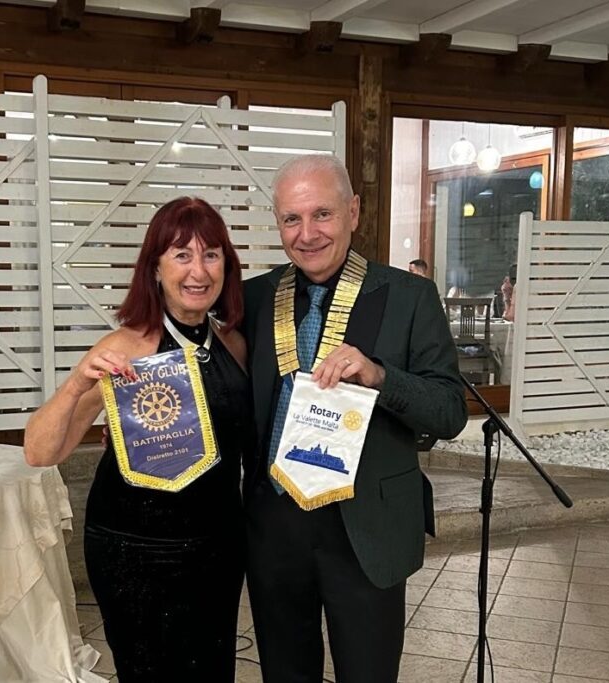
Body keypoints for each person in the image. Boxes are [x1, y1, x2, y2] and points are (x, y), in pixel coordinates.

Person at [242, 155, 468, 682]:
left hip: (366, 529)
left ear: (354, 212)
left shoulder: (410, 297)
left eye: (322, 214)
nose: (307, 234)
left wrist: (381, 375)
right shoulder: (252, 298)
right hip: (275, 529)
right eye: (291, 219)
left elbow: (450, 410)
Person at [24, 197, 250, 682]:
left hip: (217, 544)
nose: (198, 270)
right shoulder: (125, 348)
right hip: (136, 548)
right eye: (182, 255)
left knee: (213, 671)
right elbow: (41, 451)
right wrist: (76, 386)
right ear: (155, 267)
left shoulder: (232, 344)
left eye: (211, 255)